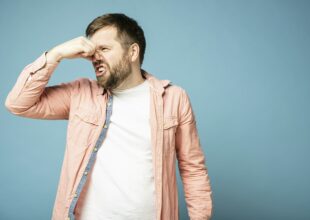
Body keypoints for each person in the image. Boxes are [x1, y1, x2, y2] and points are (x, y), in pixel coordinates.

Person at [5, 13, 213, 220]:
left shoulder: (173, 98)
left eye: (104, 49)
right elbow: (18, 104)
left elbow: (192, 168)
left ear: (132, 52)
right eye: (93, 51)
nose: (95, 57)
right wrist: (55, 54)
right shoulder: (80, 93)